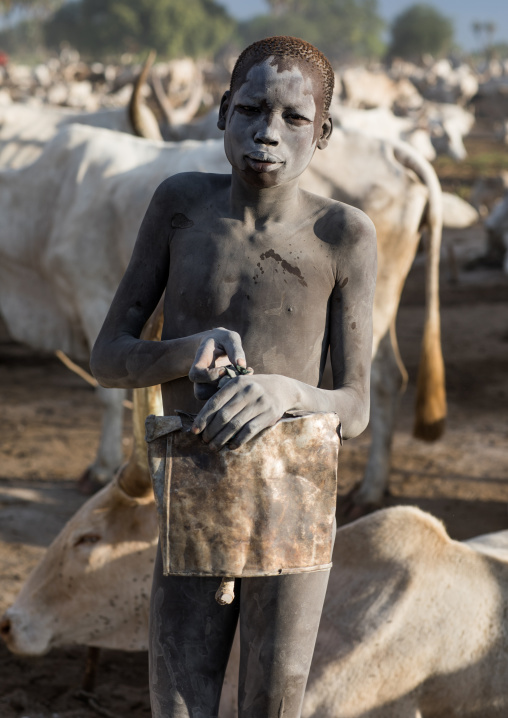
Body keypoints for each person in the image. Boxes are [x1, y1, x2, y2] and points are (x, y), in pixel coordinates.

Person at [91, 35, 377, 718]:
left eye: (294, 119)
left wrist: (287, 393)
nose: (267, 134)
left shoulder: (344, 236)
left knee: (272, 704)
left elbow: (357, 406)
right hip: (195, 490)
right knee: (179, 706)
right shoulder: (181, 207)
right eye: (250, 109)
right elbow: (109, 357)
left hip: (296, 501)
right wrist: (184, 350)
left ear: (324, 132)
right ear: (223, 111)